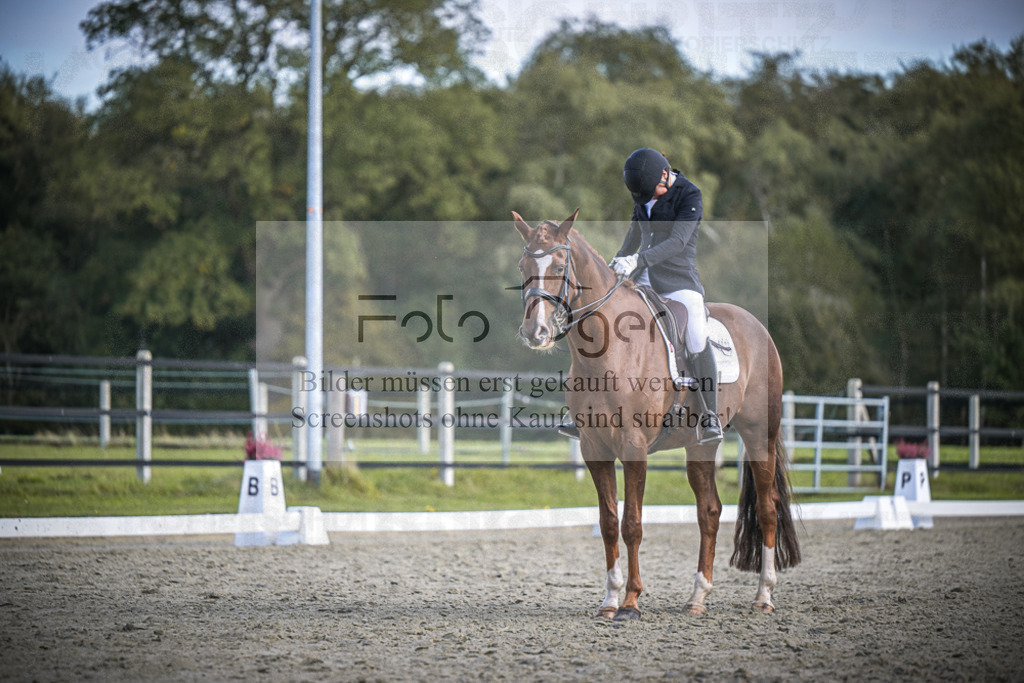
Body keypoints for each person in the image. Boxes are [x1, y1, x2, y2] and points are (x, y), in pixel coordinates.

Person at [612, 147, 722, 444]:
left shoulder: (690, 195)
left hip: (679, 280)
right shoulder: (644, 191)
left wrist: (638, 260)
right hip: (644, 275)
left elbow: (677, 241)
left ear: (665, 174)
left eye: (655, 192)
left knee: (697, 335)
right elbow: (636, 233)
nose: (650, 199)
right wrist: (619, 260)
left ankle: (711, 414)